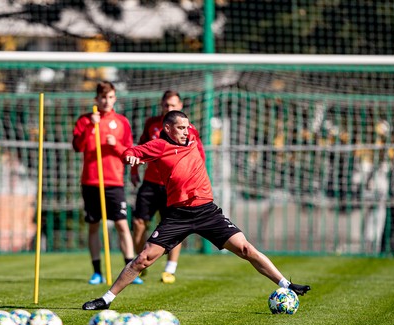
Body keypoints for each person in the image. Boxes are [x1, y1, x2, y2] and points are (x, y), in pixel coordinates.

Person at [82, 110, 310, 310]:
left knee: (245, 248)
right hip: (178, 215)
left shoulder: (192, 138)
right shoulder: (160, 146)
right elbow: (130, 152)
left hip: (207, 212)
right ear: (167, 128)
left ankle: (286, 284)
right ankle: (106, 299)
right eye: (180, 128)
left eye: (187, 127)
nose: (186, 131)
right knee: (142, 259)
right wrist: (130, 157)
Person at [130, 90, 205, 284]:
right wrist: (133, 171)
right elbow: (141, 147)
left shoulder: (189, 130)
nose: (169, 108)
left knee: (175, 228)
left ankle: (170, 269)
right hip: (150, 183)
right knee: (138, 223)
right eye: (166, 105)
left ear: (180, 106)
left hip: (174, 187)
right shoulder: (152, 124)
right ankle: (140, 261)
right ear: (161, 106)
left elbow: (199, 157)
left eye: (173, 105)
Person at [72, 81, 142, 285]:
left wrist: (116, 145)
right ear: (96, 99)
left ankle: (130, 270)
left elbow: (130, 152)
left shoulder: (121, 122)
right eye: (103, 97)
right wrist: (89, 128)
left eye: (110, 97)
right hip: (91, 181)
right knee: (94, 226)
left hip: (114, 181)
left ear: (115, 99)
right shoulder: (85, 120)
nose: (106, 101)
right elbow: (77, 146)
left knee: (122, 224)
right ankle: (97, 272)